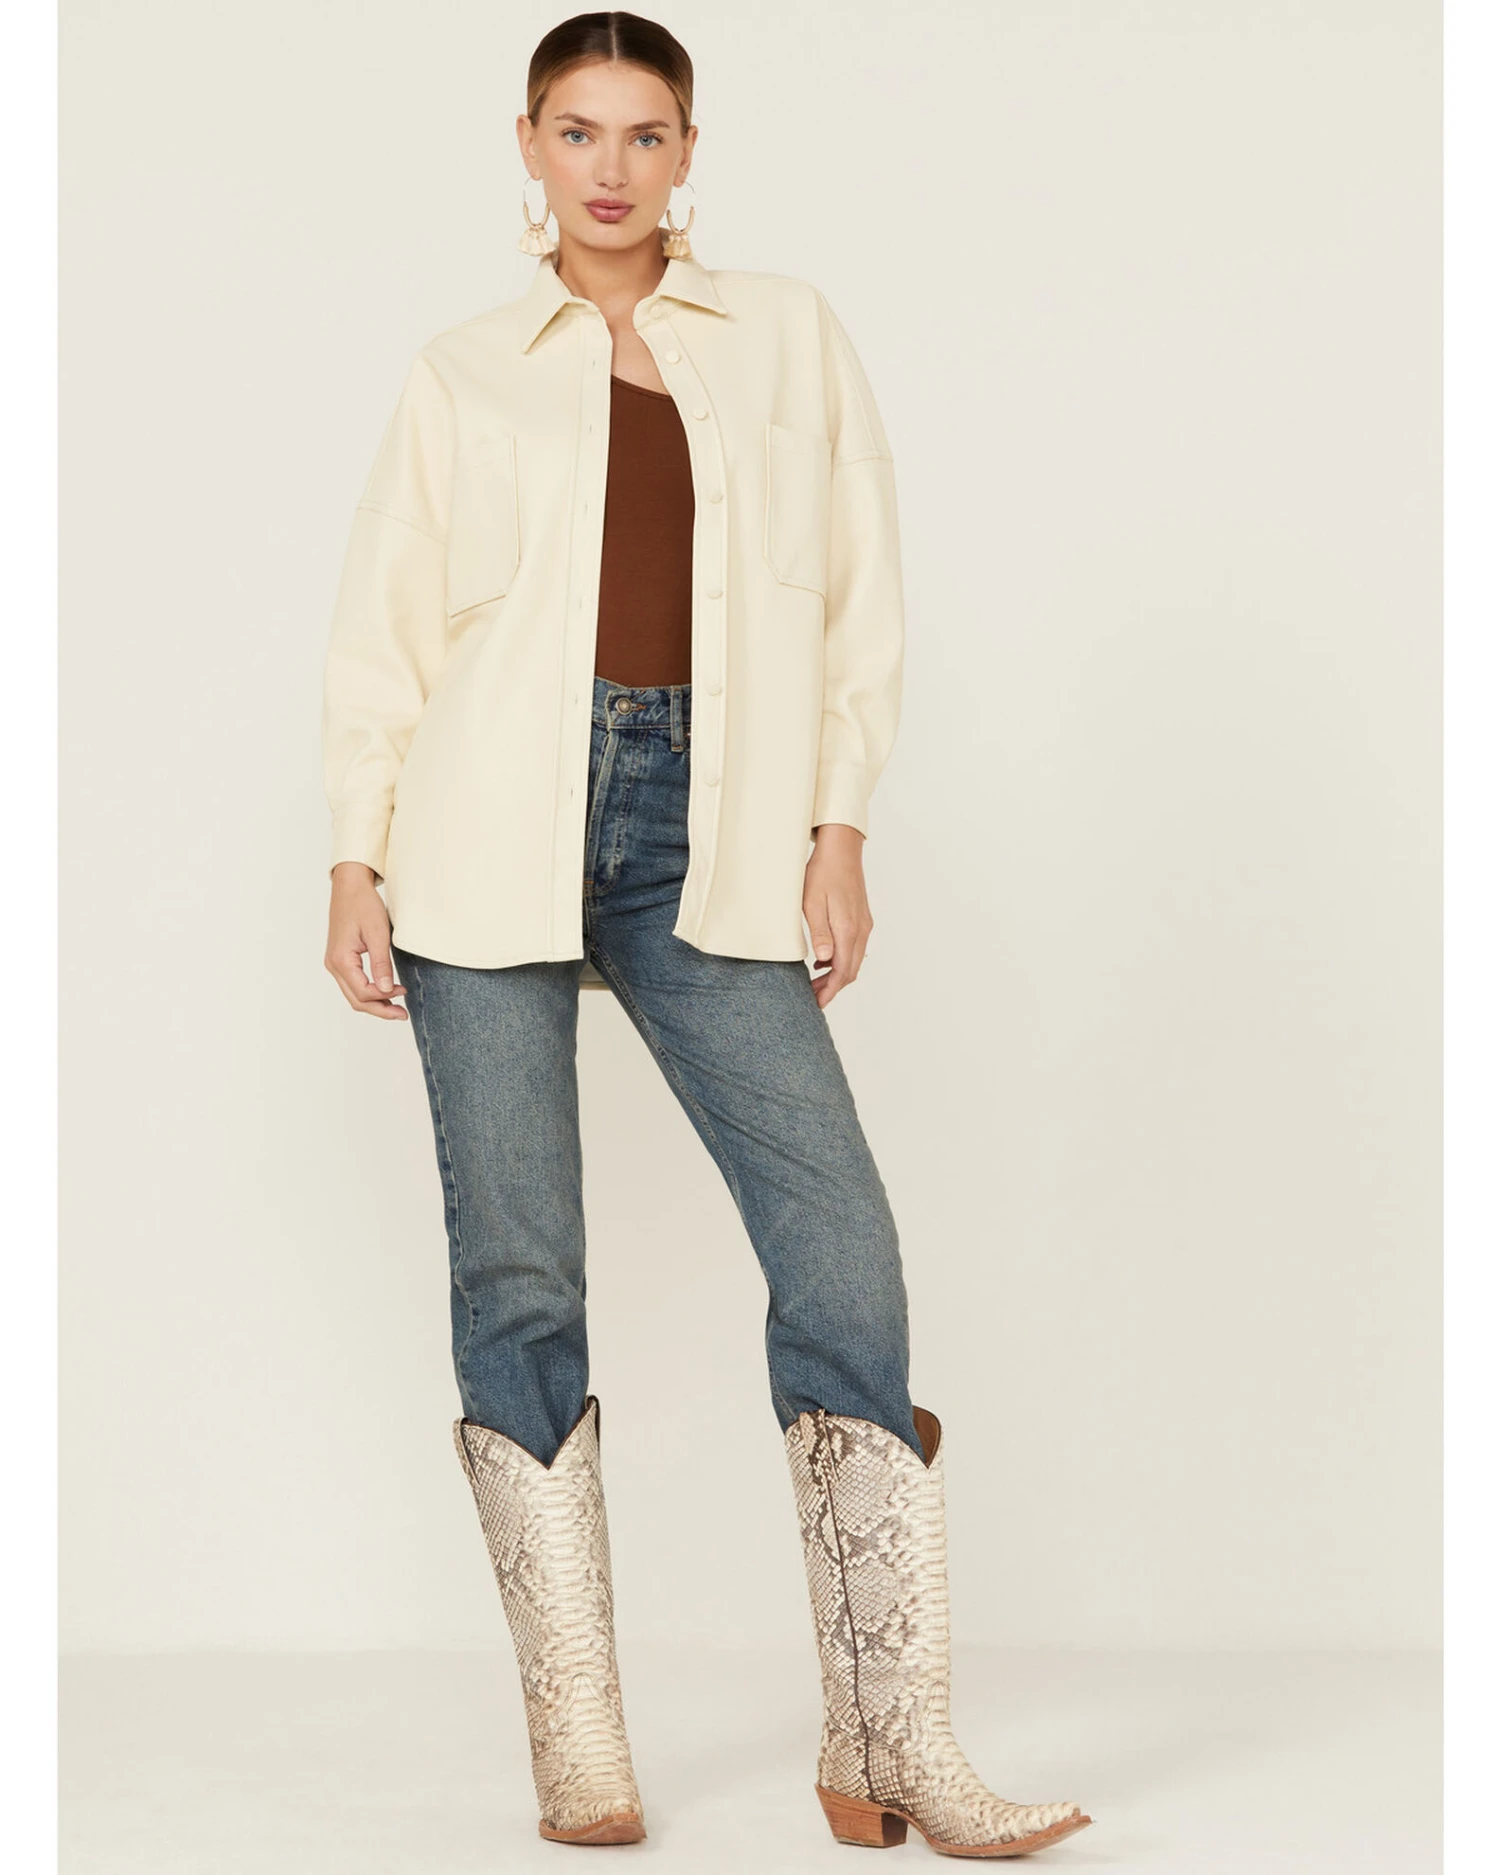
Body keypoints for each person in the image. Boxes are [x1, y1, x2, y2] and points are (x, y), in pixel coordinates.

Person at [321, 9, 1092, 1858]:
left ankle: (890, 1737)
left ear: (688, 150)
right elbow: (386, 629)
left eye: (645, 132)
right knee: (521, 1268)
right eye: (577, 131)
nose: (610, 167)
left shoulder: (786, 337)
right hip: (486, 825)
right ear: (528, 144)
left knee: (841, 1247)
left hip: (712, 824)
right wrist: (356, 855)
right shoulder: (462, 373)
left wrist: (840, 822)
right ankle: (581, 1739)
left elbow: (859, 598)